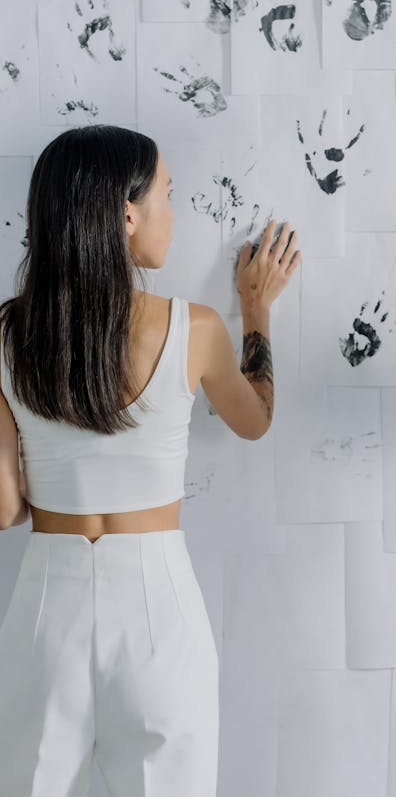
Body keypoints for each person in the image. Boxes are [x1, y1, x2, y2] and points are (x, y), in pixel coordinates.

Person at [0, 125, 300, 797]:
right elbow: (255, 419)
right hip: (157, 603)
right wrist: (255, 308)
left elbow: (5, 507)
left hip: (48, 602)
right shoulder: (195, 328)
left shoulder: (8, 333)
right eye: (168, 192)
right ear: (126, 214)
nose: (174, 208)